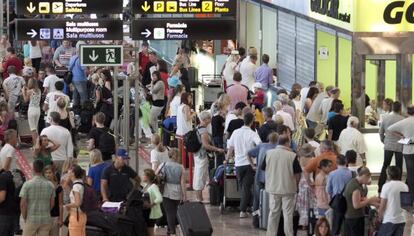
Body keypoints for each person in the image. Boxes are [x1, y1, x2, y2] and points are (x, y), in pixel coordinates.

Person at [262, 135, 302, 235]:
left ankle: (270, 234)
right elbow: (297, 174)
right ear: (287, 143)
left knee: (273, 213)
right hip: (288, 189)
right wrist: (296, 185)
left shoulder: (269, 153)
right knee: (288, 215)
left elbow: (264, 168)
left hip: (273, 188)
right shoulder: (292, 156)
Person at [227, 112, 262, 218]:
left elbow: (230, 148)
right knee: (246, 188)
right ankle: (243, 210)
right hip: (249, 164)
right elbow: (259, 145)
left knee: (243, 187)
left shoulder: (235, 132)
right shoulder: (253, 134)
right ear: (252, 122)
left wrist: (227, 159)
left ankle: (247, 207)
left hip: (238, 164)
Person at [249, 132, 279, 228]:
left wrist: (252, 165)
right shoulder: (278, 149)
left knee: (257, 199)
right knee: (272, 200)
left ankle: (256, 221)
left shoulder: (261, 146)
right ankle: (269, 221)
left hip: (259, 176)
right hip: (273, 178)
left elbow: (249, 153)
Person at [193, 111, 225, 202]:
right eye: (209, 118)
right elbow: (206, 145)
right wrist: (218, 149)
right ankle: (199, 198)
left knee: (198, 174)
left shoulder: (198, 128)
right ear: (205, 119)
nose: (210, 120)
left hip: (197, 154)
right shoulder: (203, 130)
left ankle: (199, 197)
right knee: (200, 175)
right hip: (202, 155)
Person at [20, 160, 55, 236]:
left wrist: (25, 217)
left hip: (31, 218)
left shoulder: (27, 184)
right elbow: (52, 203)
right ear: (43, 169)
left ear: (33, 169)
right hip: (45, 219)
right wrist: (46, 211)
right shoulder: (50, 185)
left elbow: (23, 204)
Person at [157, 148, 186, 236]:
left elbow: (155, 175)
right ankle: (169, 230)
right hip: (177, 191)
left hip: (166, 190)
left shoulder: (163, 165)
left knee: (169, 212)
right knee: (173, 212)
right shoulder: (181, 167)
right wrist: (184, 195)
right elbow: (182, 182)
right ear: (177, 156)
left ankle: (172, 232)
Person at [343, 167, 379, 236]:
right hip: (355, 218)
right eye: (368, 178)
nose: (368, 180)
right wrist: (370, 199)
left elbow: (360, 199)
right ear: (364, 176)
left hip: (350, 217)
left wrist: (373, 203)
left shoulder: (354, 182)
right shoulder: (356, 187)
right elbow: (356, 205)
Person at [378, 101, 404, 193]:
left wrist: (384, 140)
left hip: (388, 145)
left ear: (392, 108)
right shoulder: (402, 119)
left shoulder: (386, 118)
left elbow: (381, 131)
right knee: (399, 166)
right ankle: (398, 188)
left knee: (385, 165)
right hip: (399, 145)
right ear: (400, 108)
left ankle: (380, 186)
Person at [388, 105, 414, 194]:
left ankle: (411, 196)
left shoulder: (404, 122)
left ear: (408, 112)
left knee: (410, 174)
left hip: (408, 150)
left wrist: (401, 137)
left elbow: (390, 129)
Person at [377, 166, 408, 236]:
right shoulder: (405, 186)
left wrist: (379, 217)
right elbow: (406, 205)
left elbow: (383, 205)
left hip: (389, 220)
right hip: (401, 220)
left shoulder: (386, 186)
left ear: (389, 175)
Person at [325, 154, 352, 235]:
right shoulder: (351, 173)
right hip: (349, 201)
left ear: (336, 163)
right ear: (346, 162)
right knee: (347, 224)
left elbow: (328, 189)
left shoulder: (332, 174)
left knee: (336, 224)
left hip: (337, 201)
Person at [296, 144, 316, 228]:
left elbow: (298, 173)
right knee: (310, 203)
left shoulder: (299, 159)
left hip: (301, 182)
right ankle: (310, 221)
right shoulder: (313, 160)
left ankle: (302, 222)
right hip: (310, 181)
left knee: (302, 203)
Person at [64, 164, 86, 236]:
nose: (68, 173)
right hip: (82, 215)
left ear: (73, 173)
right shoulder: (81, 183)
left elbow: (77, 203)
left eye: (69, 171)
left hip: (76, 216)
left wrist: (67, 205)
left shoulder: (76, 186)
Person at [142, 169, 163, 236]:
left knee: (150, 232)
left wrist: (151, 204)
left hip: (150, 213)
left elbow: (159, 198)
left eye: (144, 175)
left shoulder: (153, 187)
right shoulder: (146, 186)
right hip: (146, 212)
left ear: (148, 177)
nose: (142, 176)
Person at [43, 165, 63, 236]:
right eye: (46, 173)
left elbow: (60, 204)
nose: (48, 174)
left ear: (53, 173)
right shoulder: (42, 186)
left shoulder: (58, 187)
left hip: (55, 216)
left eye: (50, 172)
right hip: (44, 216)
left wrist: (61, 218)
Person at [0, 163, 19, 236]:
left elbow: (2, 197)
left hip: (3, 214)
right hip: (12, 213)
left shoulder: (2, 177)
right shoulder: (9, 175)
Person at [22, 78, 41, 143]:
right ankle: (37, 143)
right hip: (38, 110)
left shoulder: (29, 91)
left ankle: (35, 145)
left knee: (33, 129)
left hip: (31, 110)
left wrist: (23, 92)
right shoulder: (39, 90)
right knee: (36, 128)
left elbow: (25, 100)